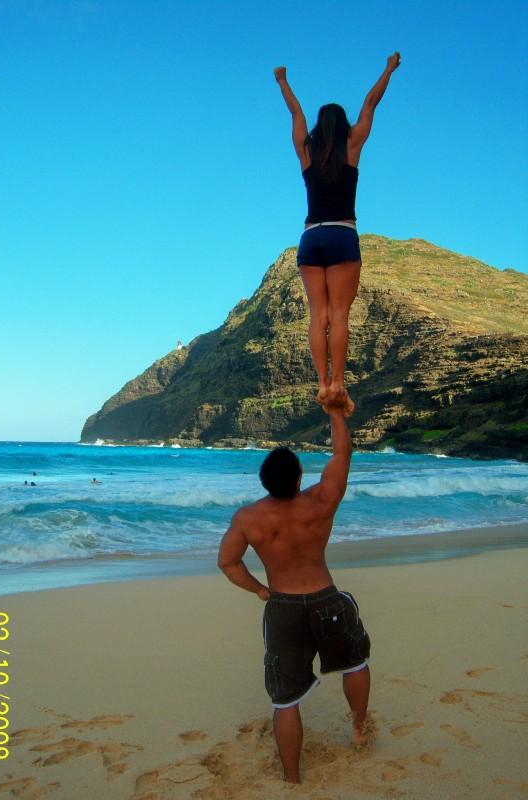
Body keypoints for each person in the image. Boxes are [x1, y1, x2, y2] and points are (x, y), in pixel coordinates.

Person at [217, 400, 370, 785]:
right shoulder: (321, 501)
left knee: (285, 699)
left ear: (263, 481)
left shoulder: (248, 518)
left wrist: (260, 590)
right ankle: (358, 728)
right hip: (326, 599)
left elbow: (228, 563)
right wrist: (335, 411)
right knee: (354, 664)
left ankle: (291, 777)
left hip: (283, 607)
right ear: (300, 477)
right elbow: (342, 454)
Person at [273, 53, 401, 412]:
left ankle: (321, 383)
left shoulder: (306, 152)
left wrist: (282, 80)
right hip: (342, 235)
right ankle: (338, 383)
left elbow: (296, 114)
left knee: (319, 316)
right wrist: (388, 69)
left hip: (312, 237)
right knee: (339, 314)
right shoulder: (352, 146)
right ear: (344, 126)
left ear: (319, 127)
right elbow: (370, 103)